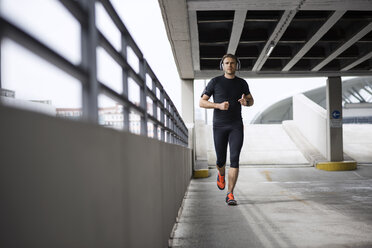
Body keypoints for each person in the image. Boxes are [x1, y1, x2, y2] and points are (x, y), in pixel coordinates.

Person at [199, 54, 254, 205]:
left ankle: (230, 194)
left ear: (237, 65)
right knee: (220, 160)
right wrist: (218, 105)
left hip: (236, 125)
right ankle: (221, 173)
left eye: (232, 63)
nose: (229, 65)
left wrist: (246, 102)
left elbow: (251, 100)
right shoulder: (215, 82)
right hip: (219, 126)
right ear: (222, 65)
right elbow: (202, 102)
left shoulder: (242, 83)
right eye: (227, 63)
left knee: (235, 160)